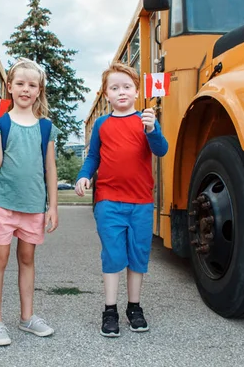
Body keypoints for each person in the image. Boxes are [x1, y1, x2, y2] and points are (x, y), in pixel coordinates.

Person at [0, 57, 60, 346]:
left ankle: (27, 317)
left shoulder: (46, 127)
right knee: (0, 258)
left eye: (32, 85)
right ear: (9, 87)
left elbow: (50, 168)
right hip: (2, 203)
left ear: (39, 90)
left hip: (33, 206)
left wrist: (53, 206)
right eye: (20, 83)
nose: (25, 89)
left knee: (27, 259)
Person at [75, 63, 168, 337]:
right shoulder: (103, 124)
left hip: (140, 202)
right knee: (114, 255)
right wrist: (83, 175)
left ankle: (135, 307)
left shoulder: (146, 120)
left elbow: (160, 150)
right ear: (106, 94)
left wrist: (153, 130)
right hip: (109, 201)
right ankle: (110, 309)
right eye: (115, 88)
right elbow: (93, 157)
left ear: (137, 91)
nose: (121, 92)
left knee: (138, 256)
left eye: (127, 87)